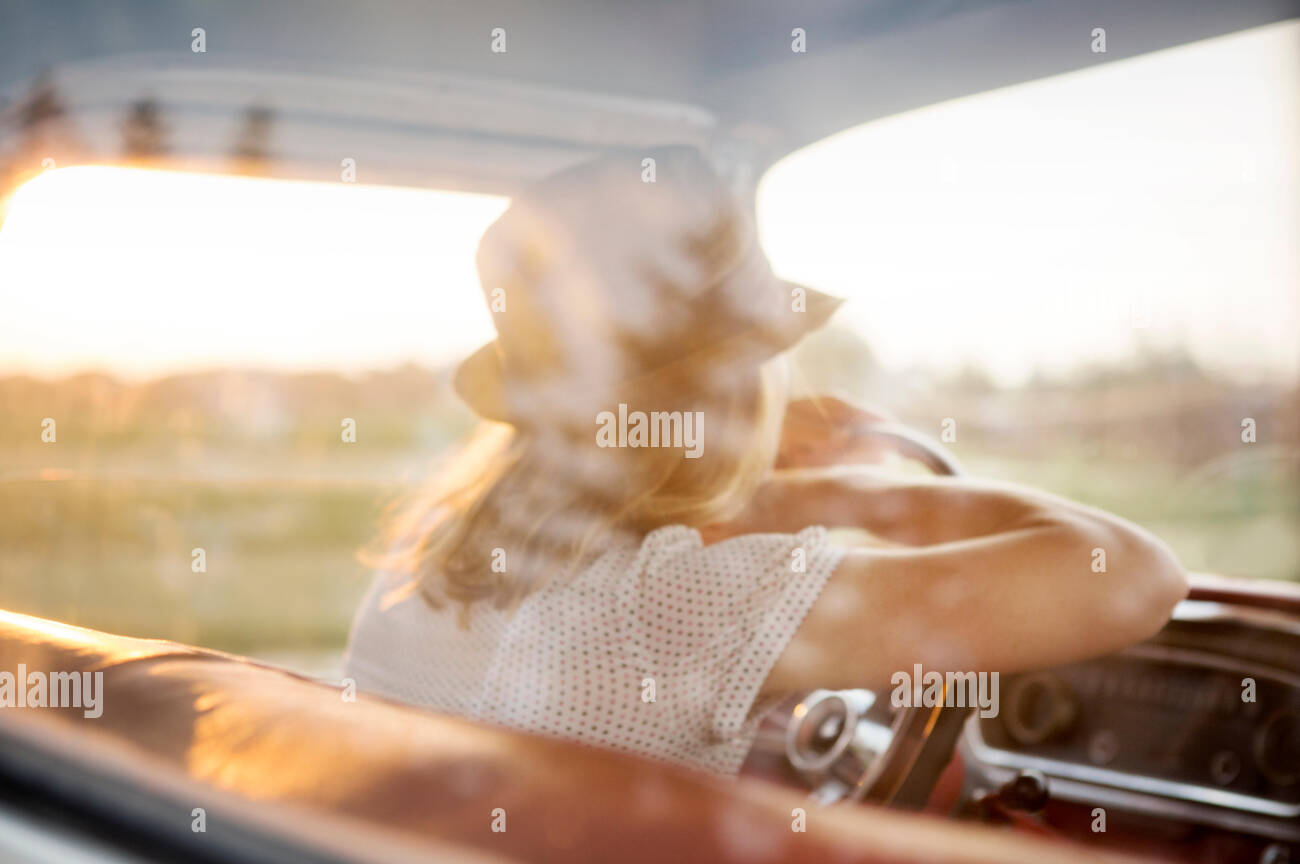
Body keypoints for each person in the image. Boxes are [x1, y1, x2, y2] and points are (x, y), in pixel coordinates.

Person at [344, 146, 1186, 776]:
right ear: (741, 386)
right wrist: (857, 494)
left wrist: (764, 484)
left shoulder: (432, 554)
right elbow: (1136, 577)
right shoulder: (678, 610)